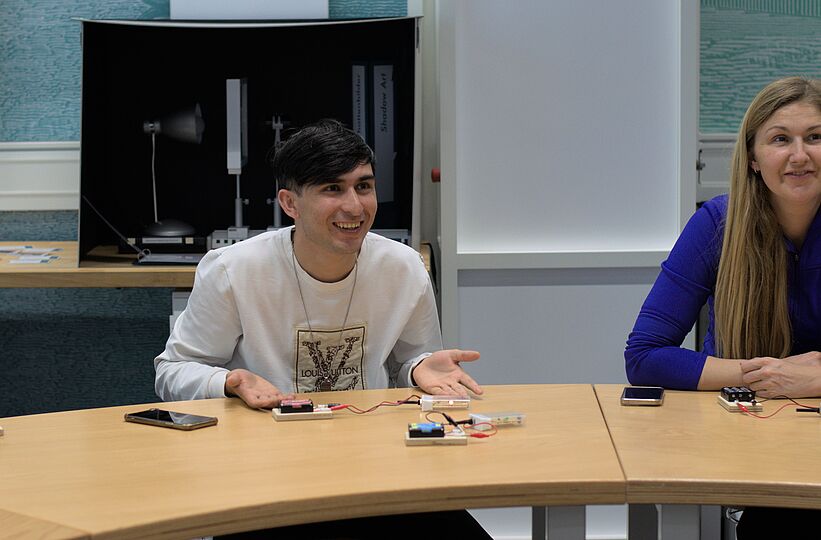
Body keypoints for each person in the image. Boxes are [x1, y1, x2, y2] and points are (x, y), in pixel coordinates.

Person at [154, 119, 490, 539]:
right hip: (265, 475)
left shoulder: (402, 268)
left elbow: (411, 365)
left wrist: (419, 367)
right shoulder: (233, 270)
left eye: (363, 186)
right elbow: (173, 371)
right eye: (333, 189)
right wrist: (229, 380)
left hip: (375, 467)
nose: (355, 206)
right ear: (290, 203)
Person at [624, 77, 821, 538]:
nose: (799, 155)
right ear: (753, 158)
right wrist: (764, 375)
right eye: (780, 139)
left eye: (815, 137)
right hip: (754, 448)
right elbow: (645, 356)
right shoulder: (718, 223)